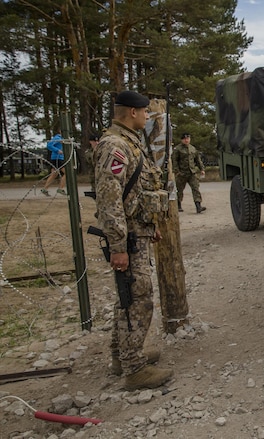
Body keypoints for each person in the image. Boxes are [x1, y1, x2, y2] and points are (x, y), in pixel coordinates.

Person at [94, 90, 173, 390]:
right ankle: (134, 368)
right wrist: (118, 246)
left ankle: (121, 355)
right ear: (131, 112)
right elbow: (110, 198)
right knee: (138, 298)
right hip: (126, 238)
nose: (147, 116)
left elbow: (135, 192)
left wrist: (150, 225)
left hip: (136, 232)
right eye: (144, 112)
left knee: (127, 296)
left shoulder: (128, 142)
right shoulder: (115, 146)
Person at [172, 133, 207, 213]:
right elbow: (175, 161)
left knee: (196, 188)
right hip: (182, 173)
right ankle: (178, 205)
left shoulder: (192, 149)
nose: (186, 140)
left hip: (192, 173)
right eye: (185, 139)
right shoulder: (177, 149)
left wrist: (202, 169)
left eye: (188, 138)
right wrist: (177, 172)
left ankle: (198, 206)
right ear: (182, 140)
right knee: (179, 190)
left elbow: (198, 160)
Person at [40, 131, 67, 196]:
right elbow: (49, 145)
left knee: (54, 174)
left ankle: (45, 189)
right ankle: (60, 188)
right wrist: (57, 150)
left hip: (58, 158)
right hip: (58, 158)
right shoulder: (57, 138)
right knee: (67, 173)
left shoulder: (63, 138)